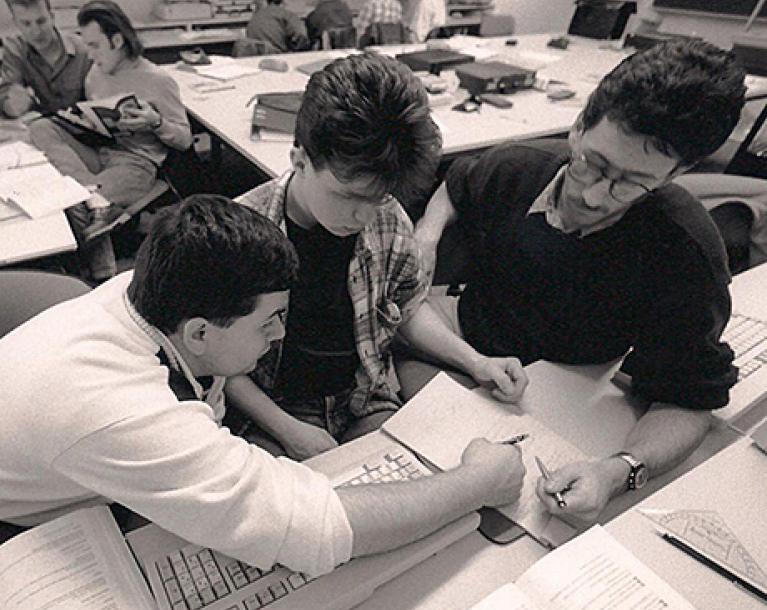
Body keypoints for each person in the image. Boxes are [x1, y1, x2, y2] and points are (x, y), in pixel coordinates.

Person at [0, 194, 526, 577]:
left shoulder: (152, 297)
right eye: (270, 320)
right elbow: (320, 531)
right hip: (25, 535)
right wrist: (479, 482)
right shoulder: (124, 407)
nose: (280, 335)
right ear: (200, 333)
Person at [399, 38, 746, 524]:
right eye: (593, 164)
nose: (596, 196)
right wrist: (428, 232)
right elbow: (457, 185)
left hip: (571, 391)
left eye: (631, 183)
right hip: (466, 346)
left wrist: (618, 472)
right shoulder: (516, 167)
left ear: (678, 172)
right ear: (580, 124)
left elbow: (690, 400)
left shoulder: (684, 252)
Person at [231, 53, 527, 461]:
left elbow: (407, 308)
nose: (364, 216)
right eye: (349, 196)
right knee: (289, 498)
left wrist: (476, 362)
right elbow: (216, 360)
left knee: (427, 474)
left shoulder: (387, 215)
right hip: (275, 409)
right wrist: (289, 429)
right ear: (299, 160)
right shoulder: (240, 234)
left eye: (379, 196)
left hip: (363, 398)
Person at [27, 0, 192, 282]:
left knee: (75, 202)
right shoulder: (96, 74)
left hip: (137, 161)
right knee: (41, 127)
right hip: (101, 149)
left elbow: (185, 140)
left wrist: (156, 122)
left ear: (117, 40)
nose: (90, 55)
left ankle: (100, 270)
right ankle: (93, 197)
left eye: (94, 46)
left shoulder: (158, 80)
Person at [0, 0, 91, 119]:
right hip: (40, 125)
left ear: (52, 17)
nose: (36, 32)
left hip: (82, 125)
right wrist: (13, 105)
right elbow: (6, 95)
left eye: (41, 21)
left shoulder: (84, 50)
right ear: (16, 23)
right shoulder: (14, 50)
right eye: (26, 24)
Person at [245, 0, 309, 53]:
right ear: (283, 2)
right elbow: (302, 36)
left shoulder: (253, 19)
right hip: (279, 57)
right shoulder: (286, 14)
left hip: (256, 58)